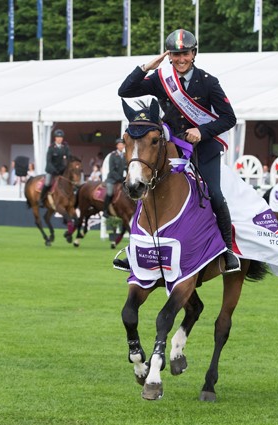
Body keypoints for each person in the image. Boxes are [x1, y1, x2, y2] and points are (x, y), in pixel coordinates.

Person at [118, 28, 240, 273]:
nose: (180, 59)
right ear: (169, 56)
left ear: (194, 54)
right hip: (171, 147)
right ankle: (134, 251)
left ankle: (227, 251)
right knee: (147, 189)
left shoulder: (208, 82)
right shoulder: (160, 80)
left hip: (204, 148)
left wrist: (202, 131)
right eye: (175, 54)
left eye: (185, 53)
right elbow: (125, 91)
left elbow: (229, 118)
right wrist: (146, 67)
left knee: (214, 193)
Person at [39, 129, 71, 207]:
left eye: (61, 137)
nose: (59, 139)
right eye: (58, 137)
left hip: (61, 169)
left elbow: (68, 157)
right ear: (55, 138)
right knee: (47, 183)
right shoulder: (51, 147)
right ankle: (41, 199)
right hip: (51, 170)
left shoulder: (65, 146)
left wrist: (66, 166)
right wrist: (54, 170)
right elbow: (49, 161)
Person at [103, 138, 126, 218]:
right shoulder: (113, 155)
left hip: (121, 179)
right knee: (109, 192)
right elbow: (112, 170)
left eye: (122, 144)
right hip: (112, 179)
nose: (121, 146)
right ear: (117, 146)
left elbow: (126, 167)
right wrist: (120, 178)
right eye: (119, 144)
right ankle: (105, 210)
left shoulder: (125, 155)